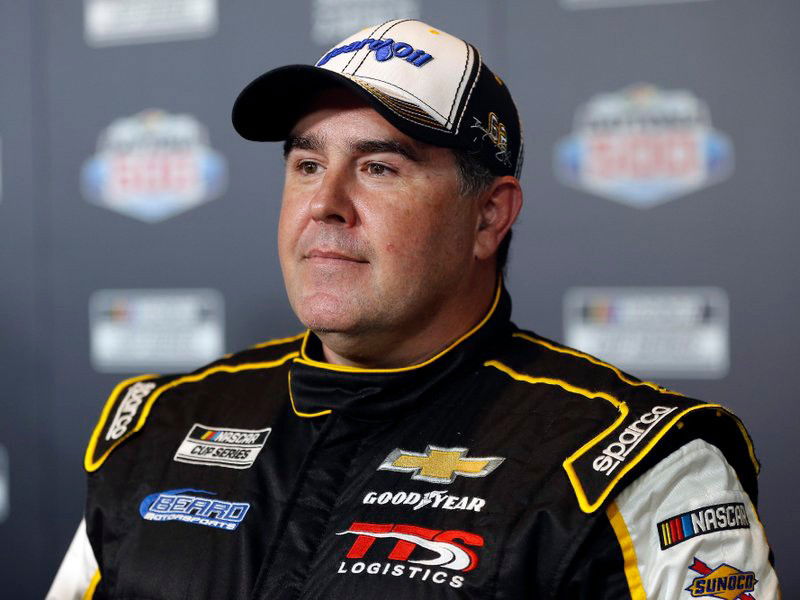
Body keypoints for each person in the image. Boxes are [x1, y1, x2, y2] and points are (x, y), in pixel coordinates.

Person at [48, 19, 780, 599]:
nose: (325, 205)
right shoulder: (159, 425)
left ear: (489, 217)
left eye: (378, 167)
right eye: (307, 164)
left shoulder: (635, 467)